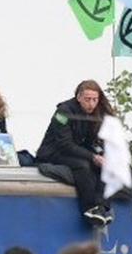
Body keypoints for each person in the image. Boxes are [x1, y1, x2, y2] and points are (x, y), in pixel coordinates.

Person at [36, 80, 116, 226]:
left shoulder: (96, 114)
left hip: (77, 150)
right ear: (79, 98)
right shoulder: (63, 112)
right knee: (83, 165)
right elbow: (64, 144)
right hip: (54, 152)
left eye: (94, 100)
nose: (91, 104)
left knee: (105, 166)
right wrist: (92, 156)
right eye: (87, 99)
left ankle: (102, 206)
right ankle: (88, 208)